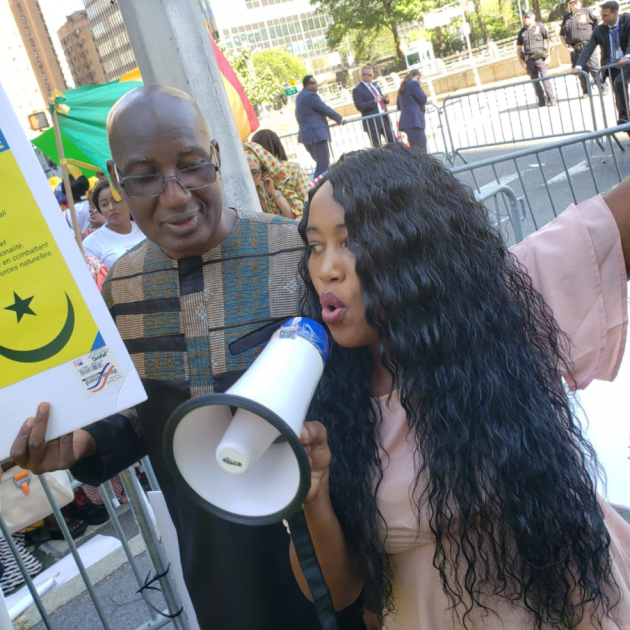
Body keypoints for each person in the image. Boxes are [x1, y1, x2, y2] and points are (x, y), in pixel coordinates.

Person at [9, 85, 365, 630]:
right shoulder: (120, 288)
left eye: (192, 166)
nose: (175, 196)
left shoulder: (298, 257)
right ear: (116, 177)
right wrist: (79, 442)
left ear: (217, 158)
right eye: (146, 176)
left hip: (332, 547)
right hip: (219, 571)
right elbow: (136, 412)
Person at [292, 144, 630, 629]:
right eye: (315, 244)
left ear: (418, 245)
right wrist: (311, 494)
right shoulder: (316, 387)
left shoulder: (502, 302)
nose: (327, 267)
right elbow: (337, 590)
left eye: (352, 242)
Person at [574, 0, 630, 126]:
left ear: (615, 13)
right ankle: (625, 121)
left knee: (619, 82)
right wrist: (578, 66)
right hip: (613, 65)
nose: (602, 18)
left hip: (628, 62)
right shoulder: (599, 29)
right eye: (601, 15)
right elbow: (589, 48)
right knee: (618, 91)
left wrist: (627, 56)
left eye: (605, 15)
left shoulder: (627, 21)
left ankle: (625, 119)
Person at [83, 179, 146, 268]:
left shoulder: (146, 229)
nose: (111, 208)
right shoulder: (90, 244)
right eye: (104, 204)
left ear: (129, 201)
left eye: (116, 201)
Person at [243, 141, 310, 219]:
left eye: (254, 172)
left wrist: (273, 192)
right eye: (245, 174)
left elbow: (293, 217)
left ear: (263, 170)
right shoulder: (242, 192)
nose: (250, 178)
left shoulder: (284, 178)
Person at [295, 75, 344, 179]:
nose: (317, 85)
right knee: (323, 165)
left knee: (321, 165)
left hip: (308, 137)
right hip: (316, 135)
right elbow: (325, 109)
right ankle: (315, 190)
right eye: (314, 83)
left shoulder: (300, 95)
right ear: (308, 85)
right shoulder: (311, 96)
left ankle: (319, 189)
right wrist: (340, 119)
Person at [561, 0, 609, 98]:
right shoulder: (567, 18)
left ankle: (603, 87)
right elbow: (561, 34)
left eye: (577, 1)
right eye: (573, 2)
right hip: (574, 49)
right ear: (570, 4)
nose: (576, 3)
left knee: (594, 68)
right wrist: (565, 45)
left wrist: (597, 37)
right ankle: (586, 91)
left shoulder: (587, 12)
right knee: (580, 72)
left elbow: (600, 21)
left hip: (588, 47)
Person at [517, 10, 558, 107]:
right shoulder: (522, 32)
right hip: (529, 61)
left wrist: (549, 56)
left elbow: (550, 42)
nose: (526, 19)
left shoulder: (540, 26)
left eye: (528, 17)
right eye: (524, 18)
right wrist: (521, 62)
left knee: (545, 78)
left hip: (541, 59)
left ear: (533, 16)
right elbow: (518, 49)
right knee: (535, 82)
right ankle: (541, 101)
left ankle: (551, 98)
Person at [352, 66, 396, 147]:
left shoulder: (375, 85)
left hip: (384, 118)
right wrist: (374, 101)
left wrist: (385, 100)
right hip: (372, 122)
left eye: (372, 74)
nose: (372, 77)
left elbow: (380, 99)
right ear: (363, 75)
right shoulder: (357, 90)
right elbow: (359, 106)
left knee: (394, 142)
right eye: (369, 75)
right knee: (377, 147)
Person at [396, 69, 428, 151]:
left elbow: (398, 105)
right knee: (421, 150)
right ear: (418, 76)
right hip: (414, 121)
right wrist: (419, 85)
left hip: (407, 122)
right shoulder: (413, 84)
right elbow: (423, 98)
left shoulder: (403, 86)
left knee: (415, 149)